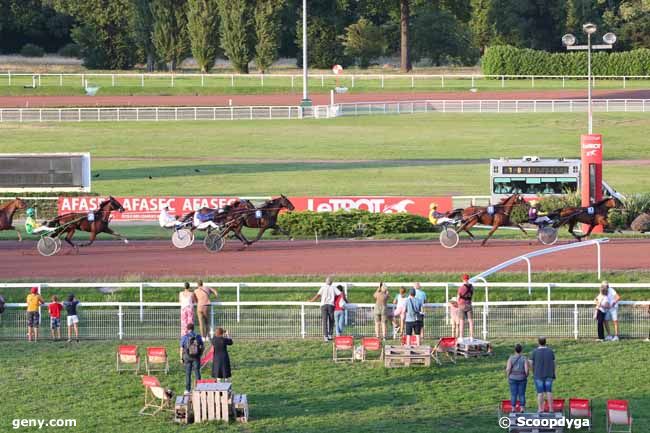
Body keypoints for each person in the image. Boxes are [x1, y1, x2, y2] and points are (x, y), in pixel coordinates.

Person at [309, 277, 341, 342]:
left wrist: (312, 300)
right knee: (331, 320)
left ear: (325, 282)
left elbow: (318, 295)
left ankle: (325, 336)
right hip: (331, 305)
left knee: (325, 321)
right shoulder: (333, 288)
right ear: (331, 282)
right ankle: (330, 335)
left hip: (323, 305)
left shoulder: (323, 287)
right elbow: (340, 294)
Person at [530, 337, 556, 413]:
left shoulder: (534, 352)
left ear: (538, 342)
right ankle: (551, 409)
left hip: (538, 375)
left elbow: (530, 363)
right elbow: (554, 363)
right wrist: (553, 371)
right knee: (549, 391)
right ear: (545, 342)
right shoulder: (550, 351)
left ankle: (540, 409)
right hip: (549, 374)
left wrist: (533, 371)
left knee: (540, 392)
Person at [180, 323, 204, 394]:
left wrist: (181, 358)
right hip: (196, 357)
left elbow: (181, 348)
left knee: (188, 373)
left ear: (187, 329)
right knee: (197, 372)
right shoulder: (198, 336)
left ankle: (188, 390)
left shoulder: (184, 337)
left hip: (187, 357)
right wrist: (201, 354)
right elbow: (202, 346)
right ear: (194, 328)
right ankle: (199, 388)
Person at [506, 343, 529, 413]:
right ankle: (522, 408)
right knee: (522, 394)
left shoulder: (511, 358)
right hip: (522, 378)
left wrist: (508, 375)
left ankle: (513, 408)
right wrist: (526, 375)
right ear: (521, 350)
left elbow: (508, 368)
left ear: (514, 350)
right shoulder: (524, 358)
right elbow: (527, 369)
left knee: (513, 394)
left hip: (512, 378)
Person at [457, 274, 474, 341]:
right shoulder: (472, 287)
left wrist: (457, 303)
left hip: (462, 305)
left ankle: (461, 337)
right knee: (470, 321)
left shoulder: (461, 287)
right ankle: (471, 336)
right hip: (469, 304)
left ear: (463, 279)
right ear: (468, 279)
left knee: (462, 321)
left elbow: (458, 296)